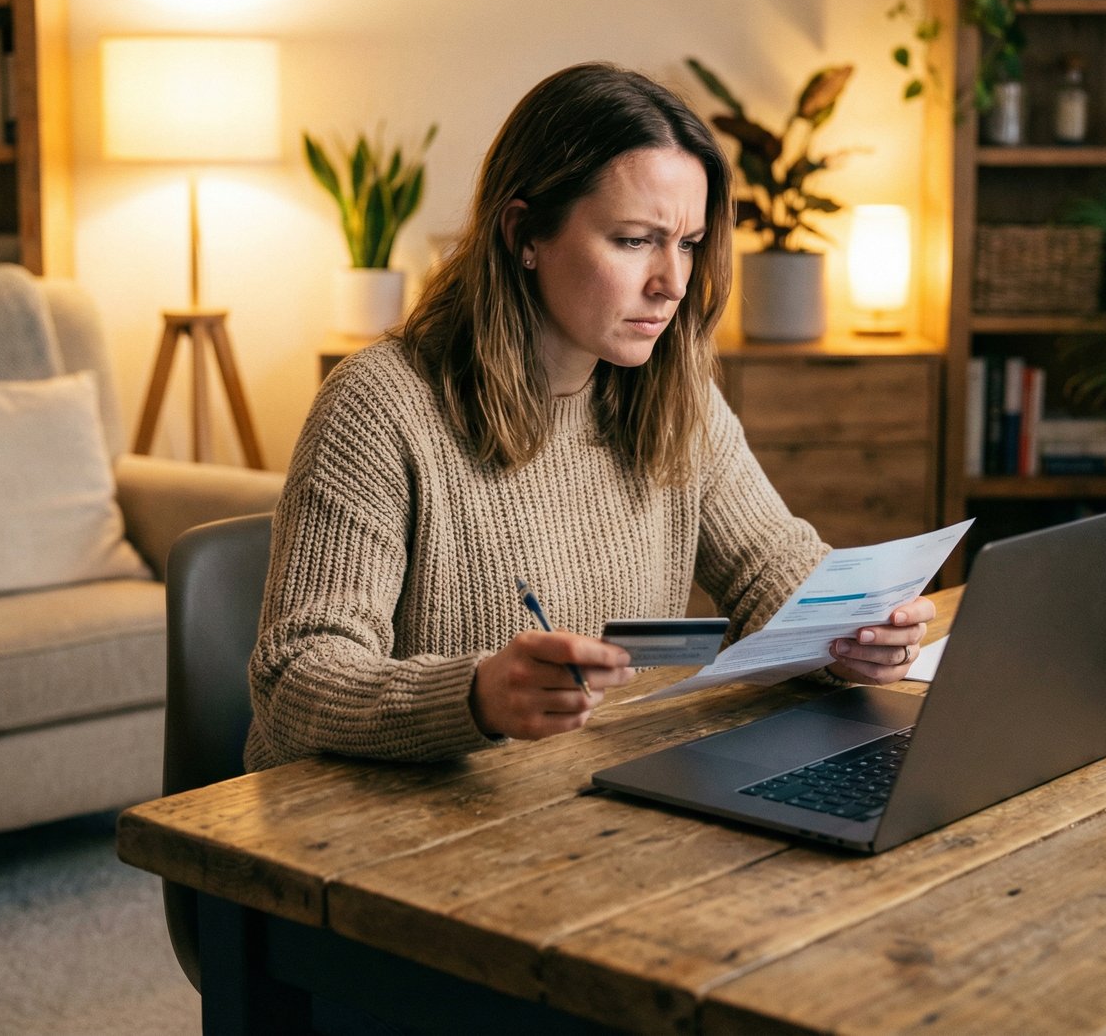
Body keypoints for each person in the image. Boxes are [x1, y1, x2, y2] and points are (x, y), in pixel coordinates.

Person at [245, 62, 933, 769]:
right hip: (385, 812)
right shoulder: (380, 404)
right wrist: (474, 697)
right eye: (634, 240)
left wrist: (852, 634)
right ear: (525, 234)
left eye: (689, 243)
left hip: (590, 791)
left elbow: (770, 568)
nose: (672, 284)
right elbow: (295, 677)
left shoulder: (677, 390)